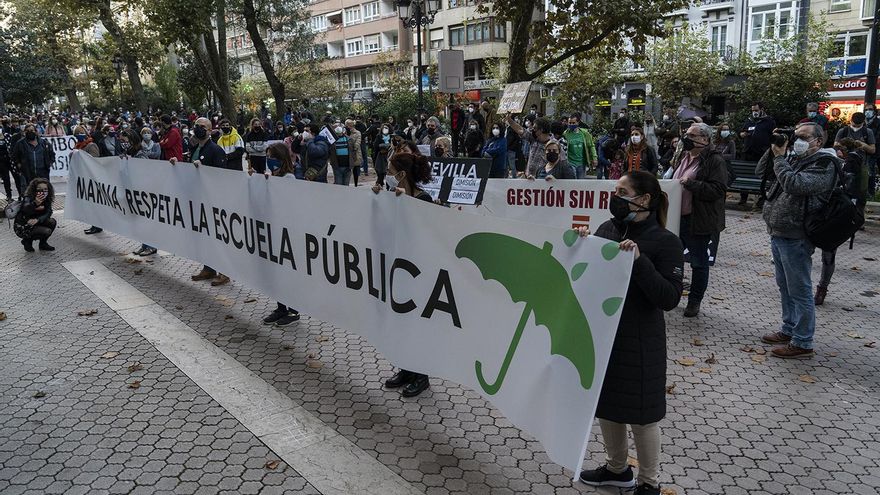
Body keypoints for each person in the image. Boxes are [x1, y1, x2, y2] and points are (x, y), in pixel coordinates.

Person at [577, 170, 683, 495]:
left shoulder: (667, 242)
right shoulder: (607, 229)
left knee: (642, 416)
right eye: (615, 191)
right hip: (605, 335)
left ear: (644, 199)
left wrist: (638, 260)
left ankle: (649, 483)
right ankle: (617, 469)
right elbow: (588, 276)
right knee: (608, 407)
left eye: (622, 192)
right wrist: (581, 246)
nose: (615, 198)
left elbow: (669, 297)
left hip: (640, 341)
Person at [758, 122, 837, 359]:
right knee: (785, 286)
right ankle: (789, 328)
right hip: (779, 232)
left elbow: (795, 185)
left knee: (800, 289)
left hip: (797, 235)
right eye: (795, 137)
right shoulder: (793, 158)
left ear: (818, 141)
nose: (798, 141)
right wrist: (774, 149)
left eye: (803, 137)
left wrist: (780, 159)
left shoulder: (825, 164)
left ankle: (803, 341)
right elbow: (761, 172)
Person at [373, 152, 436, 397]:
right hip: (398, 268)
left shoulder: (423, 199)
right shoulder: (393, 196)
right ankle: (406, 369)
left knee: (417, 324)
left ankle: (421, 376)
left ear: (401, 174)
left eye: (390, 172)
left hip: (418, 271)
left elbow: (426, 233)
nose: (387, 176)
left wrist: (404, 204)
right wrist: (378, 200)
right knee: (401, 321)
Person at [673, 123, 728, 317]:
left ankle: (694, 301)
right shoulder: (683, 156)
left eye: (691, 135)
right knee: (672, 259)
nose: (686, 138)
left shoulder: (714, 160)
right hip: (676, 218)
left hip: (698, 219)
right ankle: (672, 294)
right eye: (686, 134)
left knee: (698, 262)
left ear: (704, 139)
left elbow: (718, 190)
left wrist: (692, 184)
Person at [174, 117, 231, 287]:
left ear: (210, 130)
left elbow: (220, 176)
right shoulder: (194, 148)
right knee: (204, 235)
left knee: (217, 236)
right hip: (198, 198)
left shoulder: (216, 150)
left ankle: (225, 272)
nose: (199, 128)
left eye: (203, 126)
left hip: (212, 200)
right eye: (196, 126)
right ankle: (209, 268)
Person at [251, 143, 303, 327]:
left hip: (286, 232)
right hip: (273, 230)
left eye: (272, 157)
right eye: (268, 157)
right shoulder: (274, 176)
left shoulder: (289, 178)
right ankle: (281, 307)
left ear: (281, 158)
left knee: (287, 273)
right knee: (276, 273)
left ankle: (294, 310)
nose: (269, 160)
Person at [815, 139, 866, 306]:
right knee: (827, 255)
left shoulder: (848, 164)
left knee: (827, 254)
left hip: (831, 213)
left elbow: (849, 188)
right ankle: (821, 289)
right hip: (830, 213)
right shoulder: (852, 161)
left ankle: (821, 289)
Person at [738, 103, 776, 208]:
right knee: (745, 174)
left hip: (761, 153)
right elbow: (742, 132)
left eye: (756, 110)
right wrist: (742, 134)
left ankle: (761, 199)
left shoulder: (769, 121)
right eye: (752, 110)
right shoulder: (749, 120)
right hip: (748, 152)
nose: (754, 112)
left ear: (761, 109)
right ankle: (743, 198)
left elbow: (773, 135)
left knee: (761, 175)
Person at [834, 111, 875, 200]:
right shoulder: (843, 131)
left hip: (862, 165)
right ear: (851, 120)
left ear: (863, 122)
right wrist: (839, 150)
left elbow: (872, 150)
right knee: (843, 188)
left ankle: (859, 206)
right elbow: (835, 145)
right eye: (854, 124)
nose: (855, 127)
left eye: (858, 125)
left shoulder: (867, 132)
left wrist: (863, 145)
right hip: (844, 164)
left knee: (861, 191)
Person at [14, 178, 57, 252]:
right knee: (46, 231)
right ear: (34, 189)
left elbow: (49, 212)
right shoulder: (28, 197)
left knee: (52, 222)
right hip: (23, 225)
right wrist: (34, 204)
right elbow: (25, 210)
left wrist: (38, 220)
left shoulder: (47, 198)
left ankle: (43, 244)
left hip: (36, 221)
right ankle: (27, 241)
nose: (42, 191)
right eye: (39, 189)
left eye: (45, 189)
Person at [564, 114, 599, 178]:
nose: (571, 124)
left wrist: (594, 158)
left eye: (573, 123)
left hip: (581, 163)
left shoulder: (584, 133)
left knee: (581, 181)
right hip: (570, 163)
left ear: (578, 123)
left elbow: (591, 146)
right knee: (572, 179)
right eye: (570, 123)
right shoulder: (565, 134)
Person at [345, 119, 364, 186]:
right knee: (347, 169)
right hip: (346, 153)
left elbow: (357, 143)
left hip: (355, 153)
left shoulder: (357, 133)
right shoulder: (345, 132)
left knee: (355, 169)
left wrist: (352, 148)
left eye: (348, 125)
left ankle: (356, 184)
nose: (347, 127)